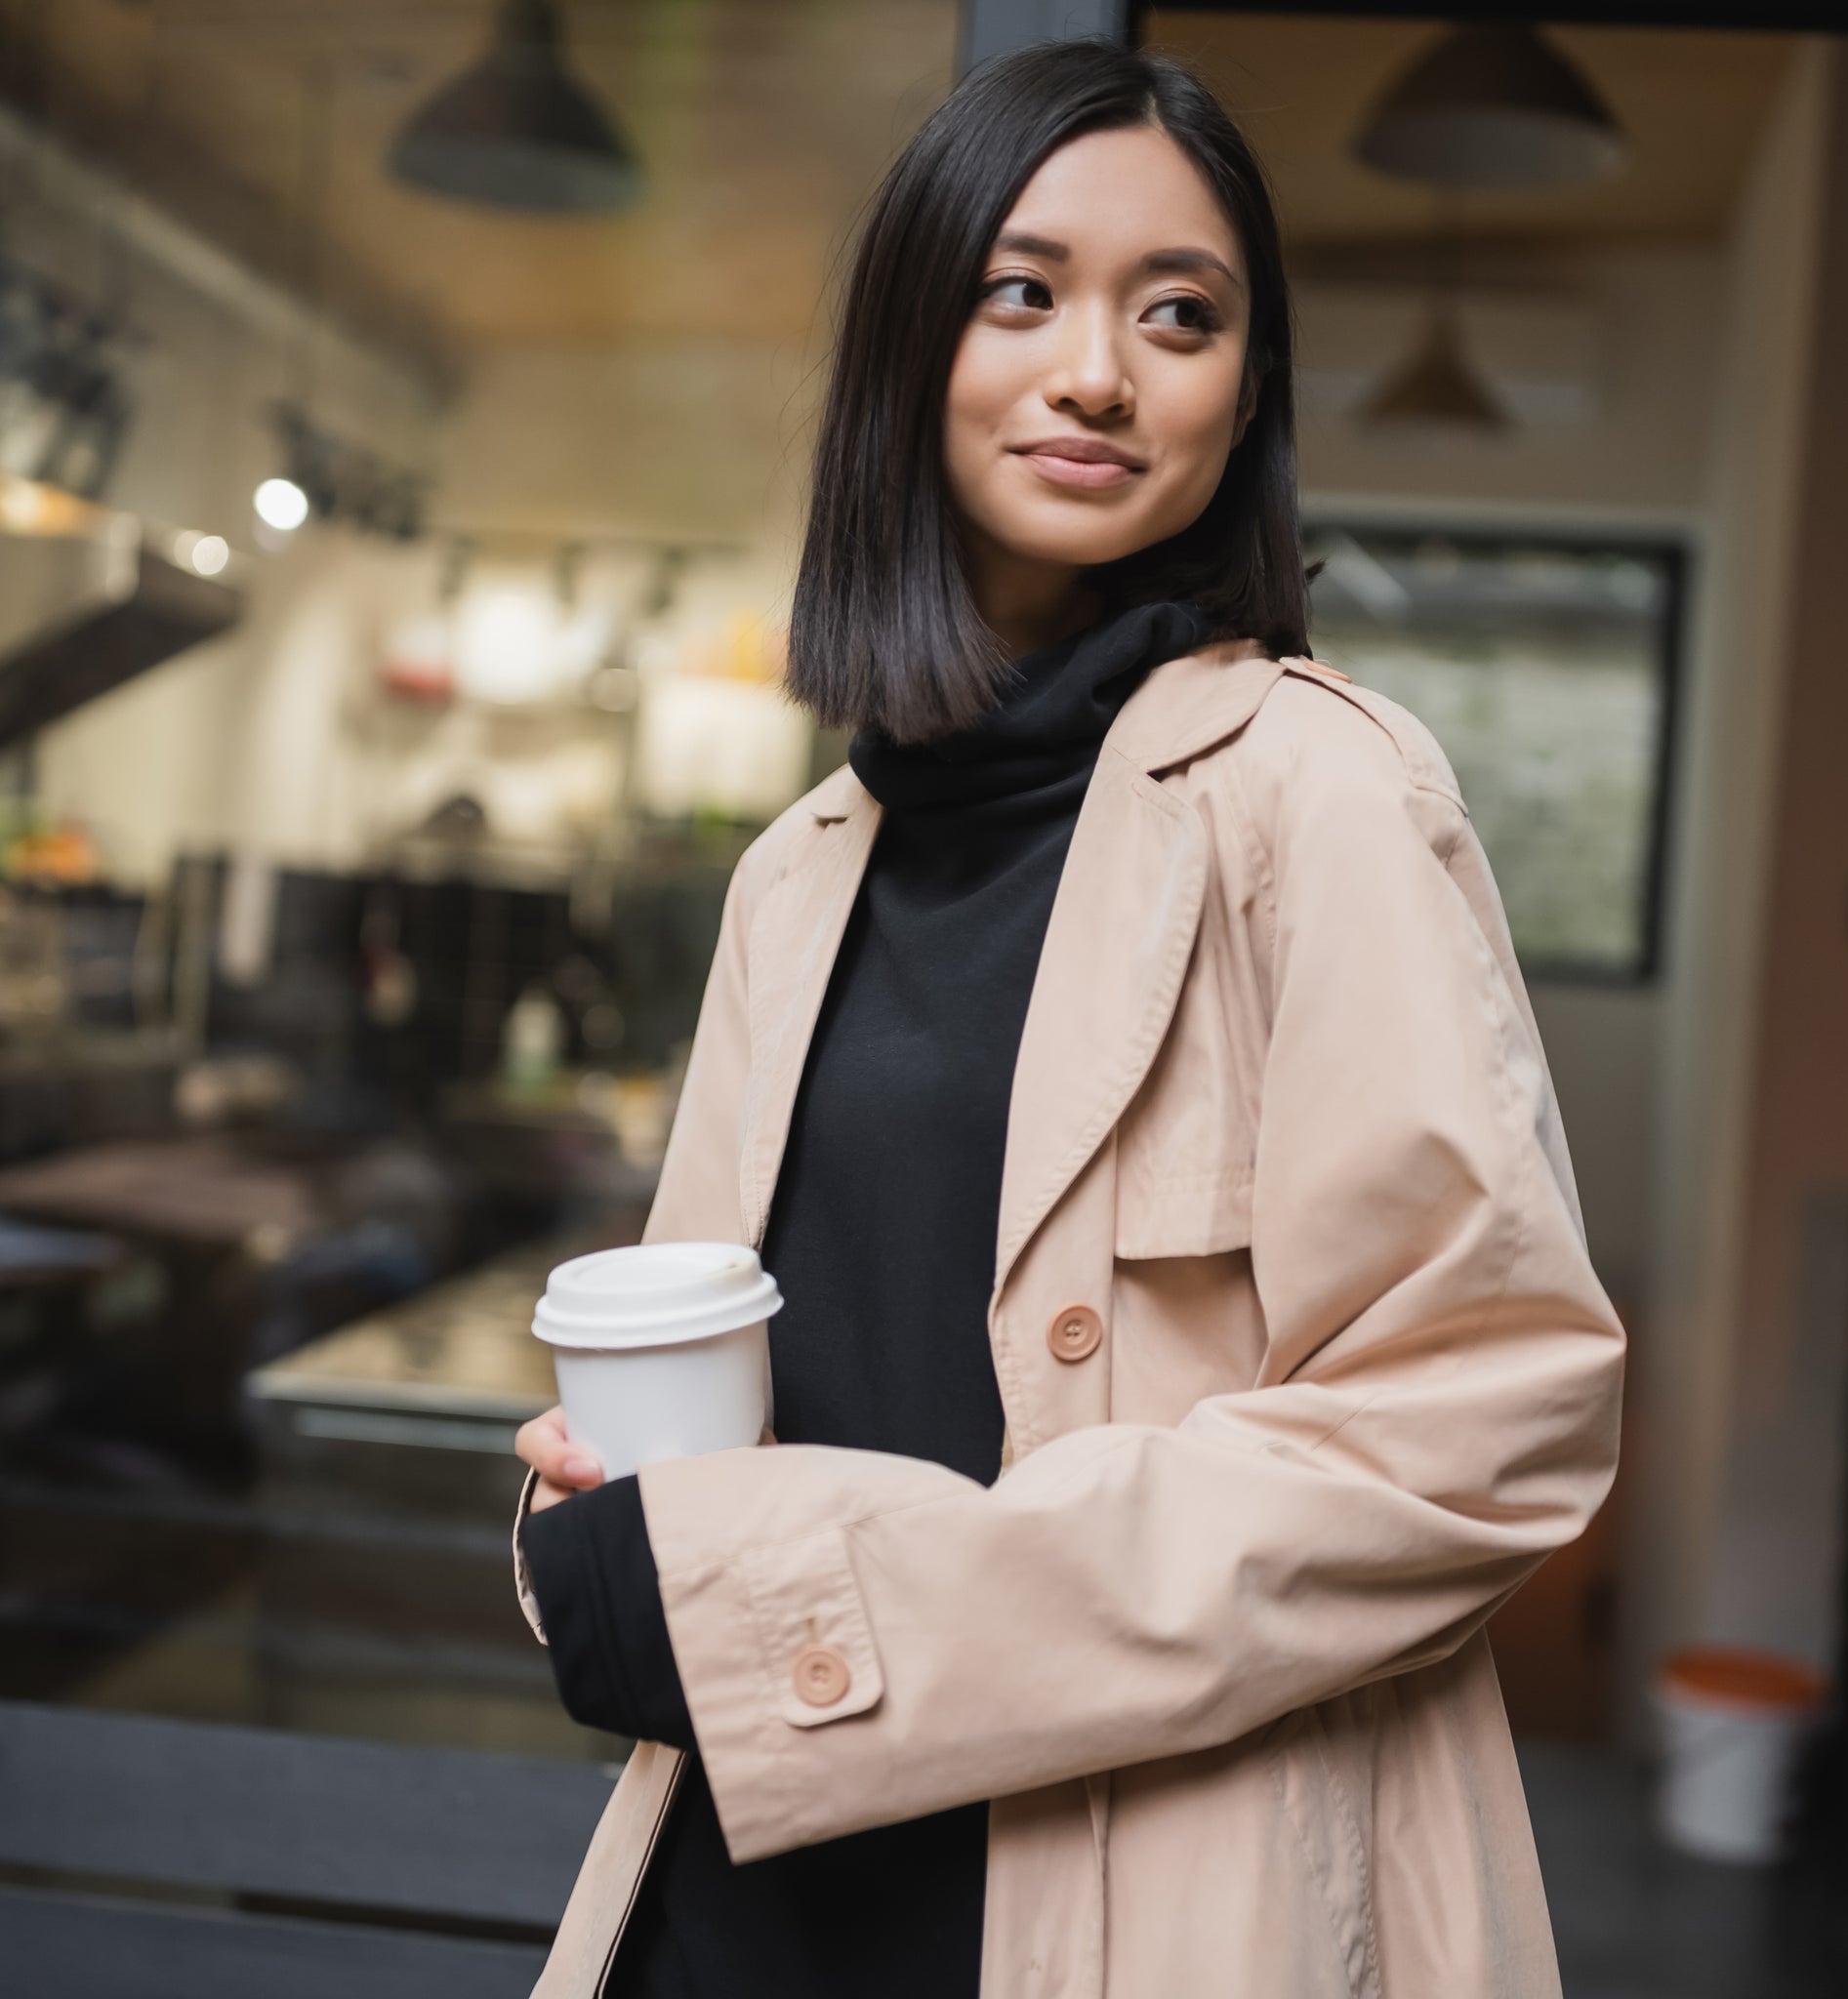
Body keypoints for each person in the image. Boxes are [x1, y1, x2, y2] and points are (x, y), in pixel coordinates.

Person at [513, 36, 1623, 1999]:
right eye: (1019, 291)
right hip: (753, 1892)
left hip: (1143, 1896)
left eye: (1176, 314)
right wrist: (586, 1525)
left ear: (1243, 393)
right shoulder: (803, 867)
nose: (1098, 369)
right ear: (906, 348)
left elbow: (1485, 1417)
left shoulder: (1318, 795)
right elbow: (701, 1377)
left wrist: (859, 1603)